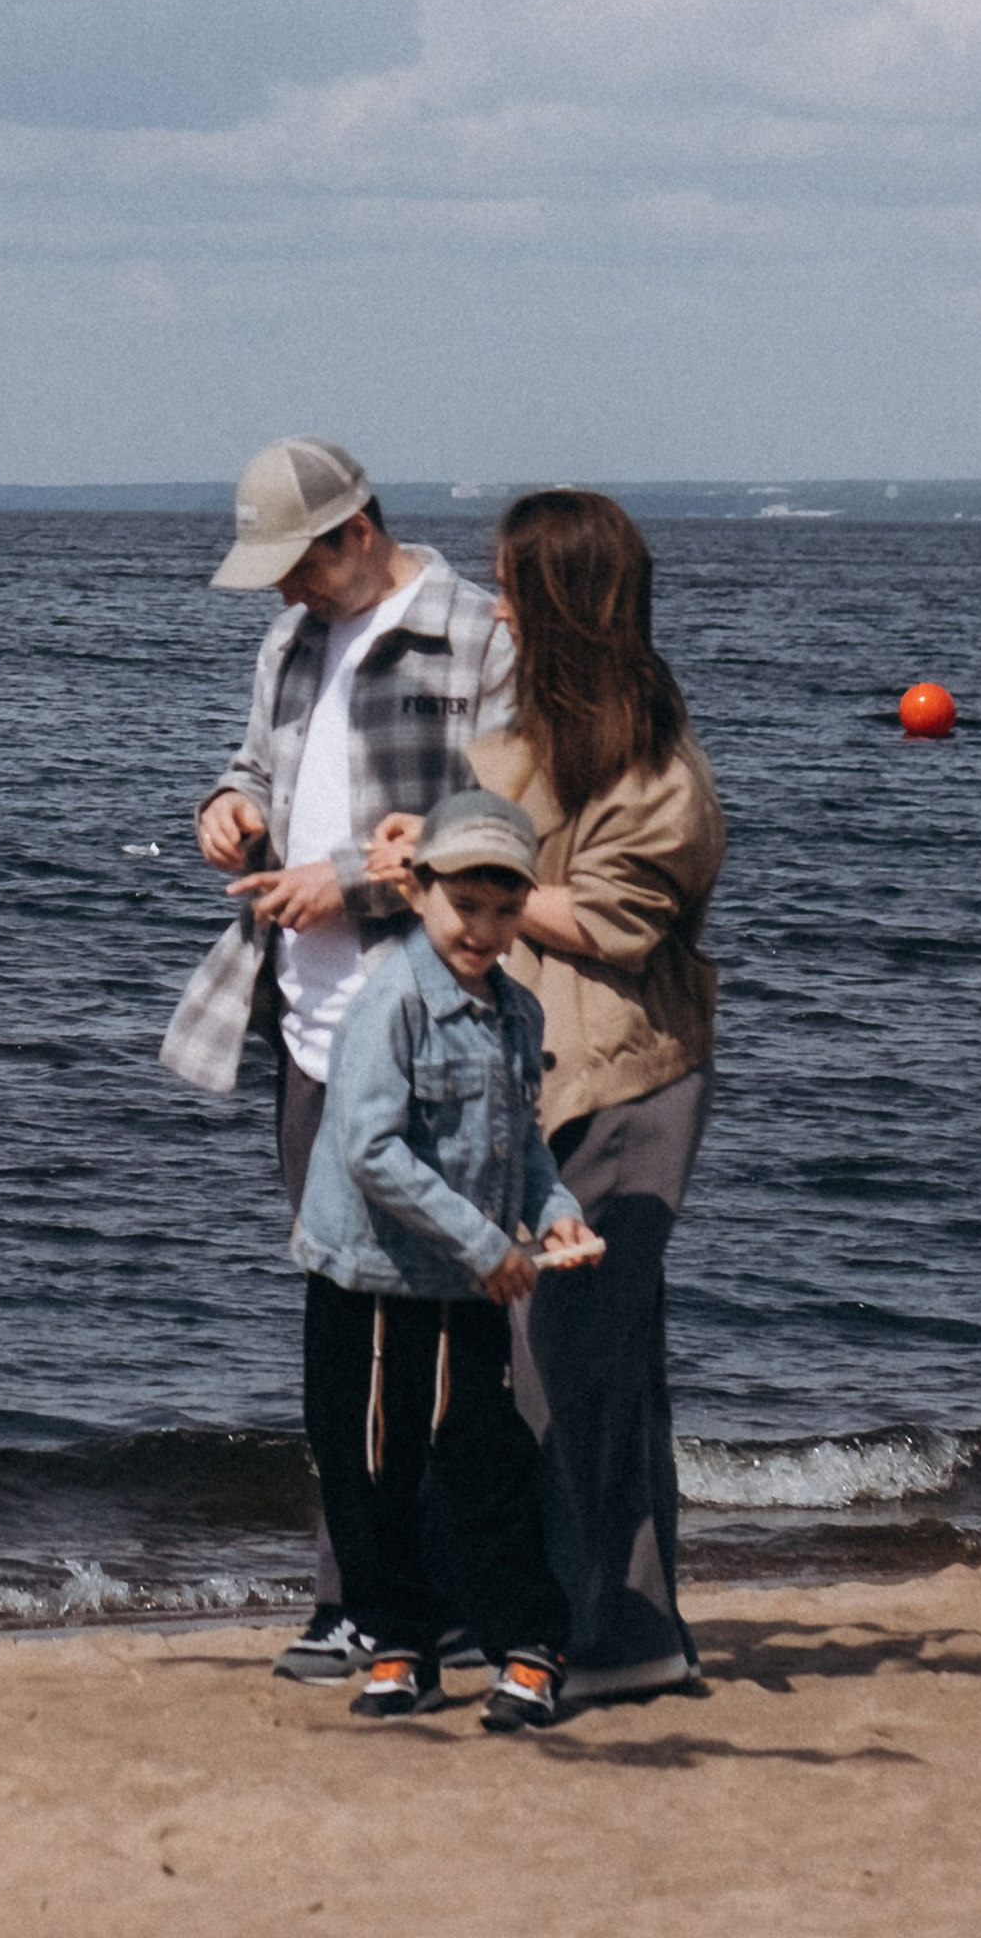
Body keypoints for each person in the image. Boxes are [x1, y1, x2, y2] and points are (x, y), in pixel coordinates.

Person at [162, 435, 514, 1679]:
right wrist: (229, 807)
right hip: (305, 1032)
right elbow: (260, 763)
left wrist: (354, 878)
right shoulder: (294, 638)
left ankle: (433, 1601)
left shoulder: (476, 638)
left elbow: (505, 833)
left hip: (428, 1034)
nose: (277, 591)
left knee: (428, 1337)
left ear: (355, 529)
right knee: (343, 1336)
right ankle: (360, 1595)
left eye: (292, 565)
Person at [472, 486, 725, 1704]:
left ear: (560, 599)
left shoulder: (656, 764)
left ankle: (622, 1637)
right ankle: (591, 1618)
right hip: (542, 1085)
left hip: (627, 1083)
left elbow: (615, 925)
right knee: (570, 1362)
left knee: (578, 1362)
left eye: (513, 584)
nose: (498, 604)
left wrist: (459, 880)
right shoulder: (524, 736)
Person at [292, 789, 599, 1730]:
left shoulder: (517, 1014)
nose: (486, 928)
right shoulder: (391, 1002)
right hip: (371, 1280)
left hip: (466, 1281)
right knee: (368, 1469)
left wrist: (553, 1215)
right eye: (466, 904)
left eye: (507, 909)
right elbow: (370, 1149)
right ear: (421, 890)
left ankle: (530, 1646)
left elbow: (524, 1145)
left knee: (482, 1462)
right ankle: (400, 1645)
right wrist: (482, 1243)